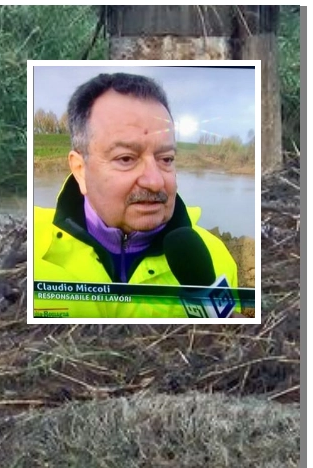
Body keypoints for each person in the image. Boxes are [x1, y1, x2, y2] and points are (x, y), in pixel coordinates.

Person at [33, 72, 238, 318]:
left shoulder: (216, 259)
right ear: (80, 169)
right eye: (126, 158)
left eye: (166, 159)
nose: (154, 181)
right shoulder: (28, 249)